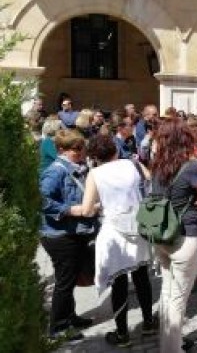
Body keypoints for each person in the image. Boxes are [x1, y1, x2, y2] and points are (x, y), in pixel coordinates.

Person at [69, 134, 155, 347]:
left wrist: (70, 209)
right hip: (138, 224)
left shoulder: (95, 174)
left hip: (114, 230)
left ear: (95, 156)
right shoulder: (131, 164)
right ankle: (148, 323)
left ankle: (123, 333)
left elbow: (88, 210)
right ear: (115, 150)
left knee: (119, 282)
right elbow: (149, 178)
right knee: (142, 275)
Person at [150, 119, 197, 353]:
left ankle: (169, 343)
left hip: (161, 235)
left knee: (167, 294)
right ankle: (171, 349)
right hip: (185, 236)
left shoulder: (156, 165)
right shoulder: (192, 167)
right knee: (177, 299)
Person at [40, 129, 98, 341]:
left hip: (73, 231)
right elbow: (43, 200)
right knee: (64, 281)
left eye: (82, 148)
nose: (81, 152)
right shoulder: (56, 171)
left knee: (70, 278)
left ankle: (70, 317)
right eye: (76, 149)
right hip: (58, 235)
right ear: (61, 150)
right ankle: (58, 327)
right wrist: (70, 209)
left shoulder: (79, 167)